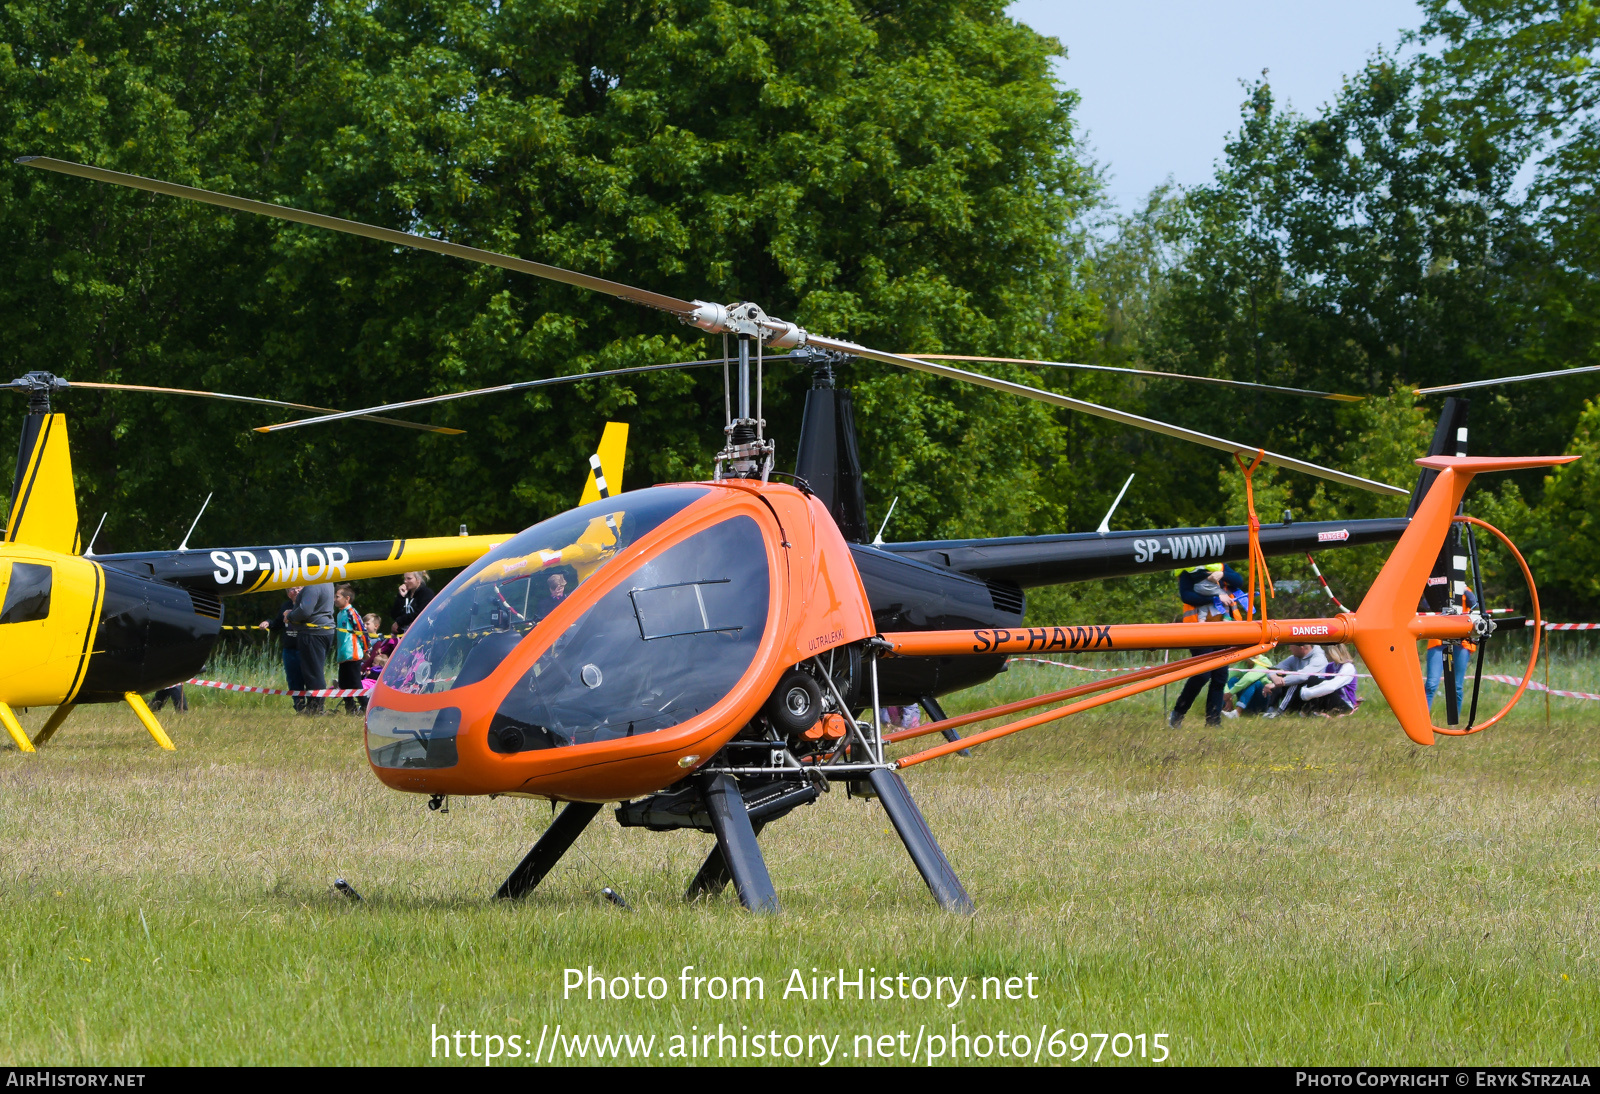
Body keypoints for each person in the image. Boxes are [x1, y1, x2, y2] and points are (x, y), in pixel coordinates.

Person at [1168, 562, 1249, 728]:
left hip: (1223, 631)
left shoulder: (1220, 566)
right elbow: (1187, 596)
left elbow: (1238, 581)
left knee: (1220, 677)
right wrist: (1215, 597)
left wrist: (1222, 575)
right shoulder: (1188, 569)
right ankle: (1178, 714)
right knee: (1202, 675)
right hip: (1199, 630)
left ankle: (1213, 722)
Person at [1423, 587, 1479, 714]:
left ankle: (1454, 723)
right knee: (1431, 684)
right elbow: (1426, 604)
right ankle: (1423, 719)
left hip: (1461, 640)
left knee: (1456, 686)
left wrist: (1462, 588)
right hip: (1438, 638)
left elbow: (1475, 603)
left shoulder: (1465, 589)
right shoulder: (1437, 590)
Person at [291, 581, 336, 715]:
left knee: (313, 672)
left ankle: (316, 709)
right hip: (324, 631)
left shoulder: (313, 584)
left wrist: (290, 616)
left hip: (313, 633)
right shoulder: (328, 581)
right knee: (315, 670)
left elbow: (305, 610)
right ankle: (313, 706)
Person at [260, 587, 305, 712]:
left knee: (308, 677)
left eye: (299, 588)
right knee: (293, 678)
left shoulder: (307, 605)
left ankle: (314, 705)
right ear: (288, 594)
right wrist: (268, 623)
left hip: (305, 648)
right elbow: (277, 623)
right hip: (289, 649)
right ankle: (299, 705)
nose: (295, 591)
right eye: (292, 589)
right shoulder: (285, 606)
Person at [1260, 642, 1329, 717]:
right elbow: (1275, 669)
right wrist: (1275, 678)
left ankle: (1280, 711)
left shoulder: (1319, 658)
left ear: (1301, 647)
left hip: (1318, 697)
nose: (1289, 649)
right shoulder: (1294, 658)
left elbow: (1302, 676)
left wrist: (1275, 684)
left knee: (1293, 682)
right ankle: (1271, 709)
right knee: (1280, 677)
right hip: (1301, 694)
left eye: (1291, 646)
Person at [333, 584, 370, 715]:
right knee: (343, 684)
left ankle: (366, 707)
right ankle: (350, 709)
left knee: (355, 683)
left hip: (353, 654)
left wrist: (366, 650)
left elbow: (362, 631)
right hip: (343, 655)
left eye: (337, 597)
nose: (334, 599)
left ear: (347, 598)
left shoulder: (351, 613)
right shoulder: (339, 614)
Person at [1299, 644, 1359, 716]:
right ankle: (1314, 711)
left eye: (1326, 652)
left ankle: (1313, 711)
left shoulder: (1348, 667)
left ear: (1333, 653)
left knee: (1320, 686)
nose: (1325, 655)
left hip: (1344, 704)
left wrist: (1308, 694)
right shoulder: (1329, 666)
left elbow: (1331, 686)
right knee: (1313, 679)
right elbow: (1317, 681)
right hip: (1331, 699)